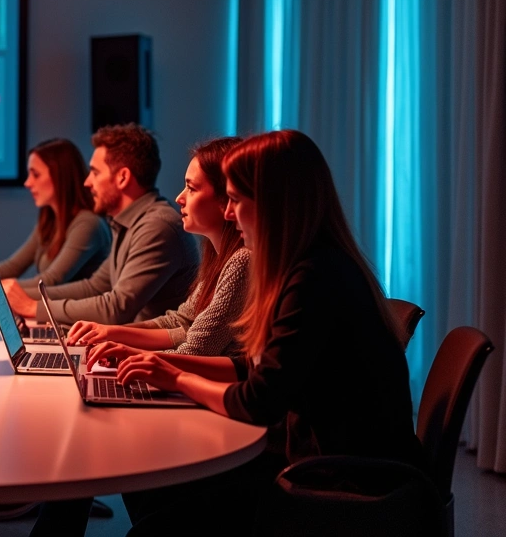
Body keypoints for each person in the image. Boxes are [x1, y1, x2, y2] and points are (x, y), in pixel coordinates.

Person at [37, 130, 423, 536]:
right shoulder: (314, 265)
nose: (228, 214)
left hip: (339, 480)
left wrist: (175, 377)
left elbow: (259, 400)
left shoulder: (311, 279)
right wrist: (160, 365)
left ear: (274, 205)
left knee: (154, 512)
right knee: (151, 494)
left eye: (236, 201)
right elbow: (257, 369)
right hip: (329, 460)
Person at [66, 136, 248, 357]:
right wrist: (111, 334)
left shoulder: (241, 260)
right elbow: (182, 324)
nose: (179, 198)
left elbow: (196, 350)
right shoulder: (218, 257)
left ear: (225, 199)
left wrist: (129, 353)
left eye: (191, 188)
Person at [2, 124, 199, 327]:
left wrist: (34, 307)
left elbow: (116, 309)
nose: (87, 182)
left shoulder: (157, 225)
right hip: (137, 348)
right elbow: (95, 287)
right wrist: (20, 297)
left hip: (157, 355)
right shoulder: (129, 222)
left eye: (95, 173)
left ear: (122, 177)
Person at [0, 138, 109, 298]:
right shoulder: (50, 220)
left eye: (36, 175)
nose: (27, 183)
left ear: (60, 177)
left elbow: (49, 281)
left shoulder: (87, 223)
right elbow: (13, 266)